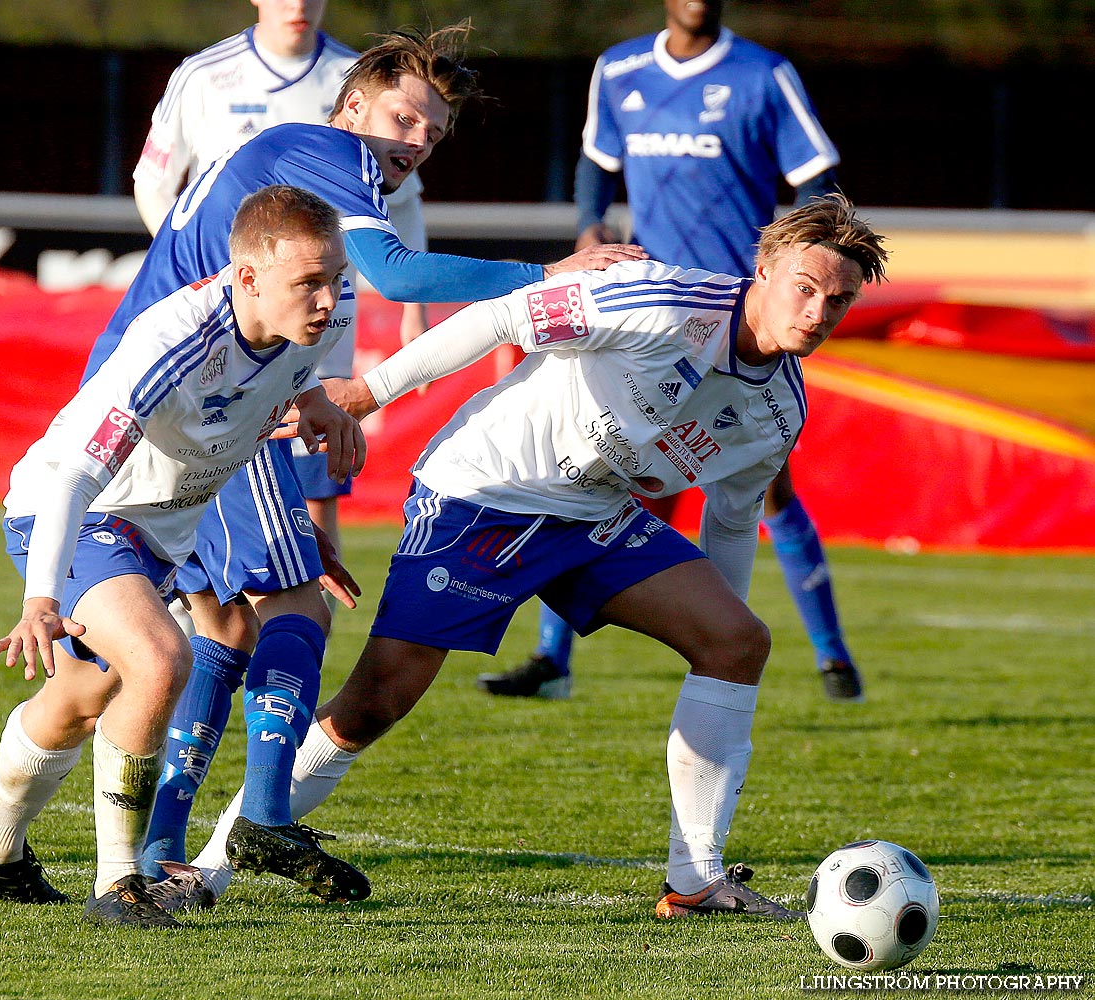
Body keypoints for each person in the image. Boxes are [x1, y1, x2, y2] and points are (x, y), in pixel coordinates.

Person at [158, 194, 888, 918]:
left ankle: (695, 881)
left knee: (738, 642)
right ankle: (207, 873)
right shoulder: (662, 303)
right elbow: (504, 315)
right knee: (370, 706)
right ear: (763, 268)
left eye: (839, 300)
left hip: (593, 518)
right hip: (486, 494)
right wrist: (368, 390)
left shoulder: (780, 409)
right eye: (806, 287)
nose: (818, 312)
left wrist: (722, 615)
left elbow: (730, 523)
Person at [106, 25, 647, 908]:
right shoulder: (327, 153)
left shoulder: (304, 171)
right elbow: (394, 275)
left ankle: (149, 845)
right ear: (352, 106)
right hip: (196, 397)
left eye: (431, 135)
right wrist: (551, 271)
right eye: (403, 118)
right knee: (296, 605)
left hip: (170, 388)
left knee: (224, 626)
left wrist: (316, 392)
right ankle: (264, 814)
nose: (414, 143)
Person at [0, 185, 366, 929]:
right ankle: (118, 887)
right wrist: (41, 597)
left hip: (164, 533)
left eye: (335, 277)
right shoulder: (175, 341)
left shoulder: (311, 324)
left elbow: (271, 398)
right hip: (76, 515)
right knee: (160, 659)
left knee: (78, 703)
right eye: (310, 283)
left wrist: (322, 410)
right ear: (247, 278)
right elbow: (75, 473)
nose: (330, 298)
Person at [476, 0, 866, 704]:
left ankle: (834, 658)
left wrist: (793, 264)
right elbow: (596, 164)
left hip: (740, 318)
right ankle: (551, 659)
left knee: (764, 479)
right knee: (588, 462)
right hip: (650, 318)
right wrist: (590, 230)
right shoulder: (620, 68)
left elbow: (817, 181)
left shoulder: (762, 75)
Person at [132, 0, 431, 571]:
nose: (298, 4)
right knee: (204, 465)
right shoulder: (203, 75)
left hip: (322, 306)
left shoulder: (359, 80)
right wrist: (195, 271)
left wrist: (411, 307)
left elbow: (401, 206)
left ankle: (302, 621)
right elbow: (155, 181)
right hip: (227, 308)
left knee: (319, 482)